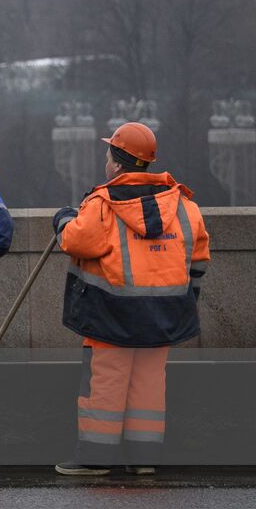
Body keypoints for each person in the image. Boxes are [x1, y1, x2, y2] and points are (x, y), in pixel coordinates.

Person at [52, 121, 209, 476]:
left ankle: (95, 458)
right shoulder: (184, 206)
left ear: (118, 164)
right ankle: (144, 459)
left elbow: (76, 242)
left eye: (110, 154)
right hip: (164, 316)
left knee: (105, 387)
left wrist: (63, 219)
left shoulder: (103, 204)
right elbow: (198, 258)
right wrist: (185, 299)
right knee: (149, 388)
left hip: (111, 316)